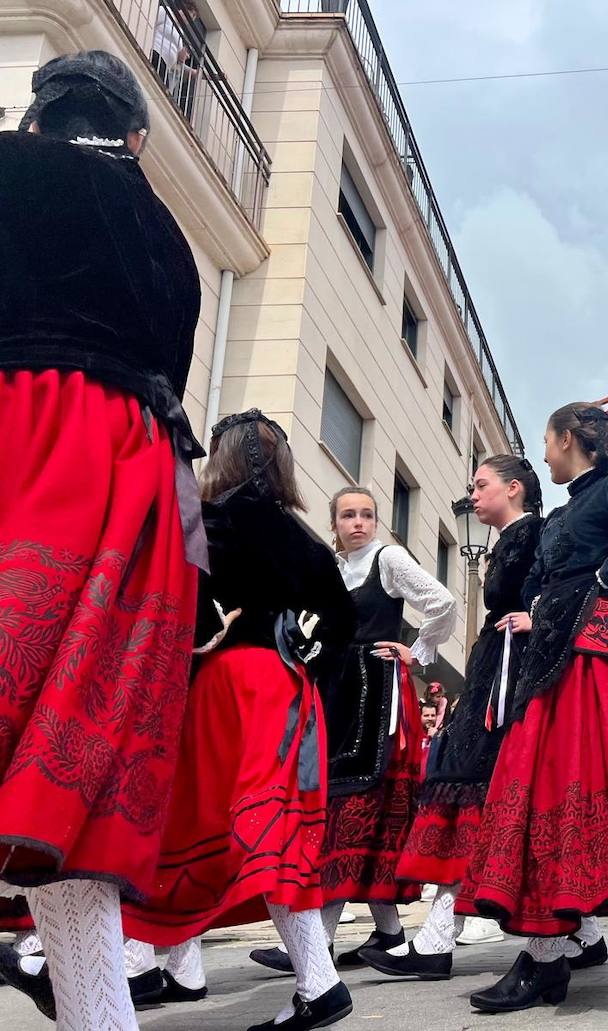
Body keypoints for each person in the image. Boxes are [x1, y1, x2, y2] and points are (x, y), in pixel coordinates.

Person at [0, 52, 203, 1030]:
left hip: (26, 441)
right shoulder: (165, 231)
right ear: (132, 134)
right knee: (60, 801)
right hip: (138, 486)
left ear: (39, 114)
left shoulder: (9, 166)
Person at [455, 402, 608, 1012]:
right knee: (543, 783)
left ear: (569, 439)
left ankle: (562, 955)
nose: (543, 455)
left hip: (597, 658)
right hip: (553, 654)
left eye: (546, 441)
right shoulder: (567, 511)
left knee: (582, 782)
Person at [119, 411, 356, 1030]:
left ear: (219, 458)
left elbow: (187, 610)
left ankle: (133, 961)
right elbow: (340, 618)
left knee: (198, 828)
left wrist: (208, 636)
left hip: (226, 686)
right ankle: (308, 980)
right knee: (270, 829)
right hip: (283, 685)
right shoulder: (297, 532)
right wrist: (304, 659)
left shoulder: (208, 519)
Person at [250, 485, 458, 973]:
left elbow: (442, 601)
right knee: (352, 807)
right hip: (338, 693)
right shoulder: (334, 570)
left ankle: (318, 942)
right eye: (348, 515)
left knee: (358, 806)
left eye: (366, 514)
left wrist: (419, 652)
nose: (358, 522)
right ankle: (387, 934)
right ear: (335, 523)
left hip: (377, 693)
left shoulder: (388, 558)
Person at [362, 455, 543, 980]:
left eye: (480, 485)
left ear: (513, 488)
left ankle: (439, 938)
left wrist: (539, 618)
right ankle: (442, 936)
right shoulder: (512, 537)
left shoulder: (535, 533)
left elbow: (555, 592)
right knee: (478, 790)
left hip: (511, 674)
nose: (472, 493)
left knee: (481, 790)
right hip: (496, 666)